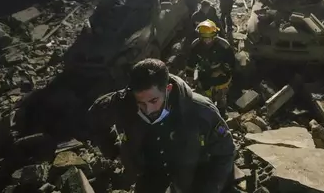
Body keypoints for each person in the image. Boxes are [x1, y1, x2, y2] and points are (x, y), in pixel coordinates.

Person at [87, 59, 235, 193]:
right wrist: (114, 151)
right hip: (150, 172)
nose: (148, 110)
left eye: (153, 101)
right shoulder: (124, 103)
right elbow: (96, 116)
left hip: (192, 173)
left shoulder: (200, 111)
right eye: (141, 103)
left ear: (168, 89)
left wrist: (210, 188)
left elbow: (225, 152)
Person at [185, 20, 235, 116]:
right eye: (204, 38)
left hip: (221, 78)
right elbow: (190, 63)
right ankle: (207, 117)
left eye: (209, 38)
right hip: (204, 77)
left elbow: (231, 63)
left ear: (215, 35)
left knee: (221, 99)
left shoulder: (224, 46)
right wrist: (189, 76)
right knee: (204, 101)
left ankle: (222, 116)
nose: (207, 41)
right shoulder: (196, 46)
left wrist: (221, 70)